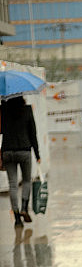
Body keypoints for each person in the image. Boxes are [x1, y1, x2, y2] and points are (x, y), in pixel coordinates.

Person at [0, 96, 41, 229]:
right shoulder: (27, 110)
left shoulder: (4, 110)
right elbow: (32, 133)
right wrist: (37, 154)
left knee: (13, 185)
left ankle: (17, 218)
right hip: (24, 151)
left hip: (7, 151)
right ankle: (24, 207)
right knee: (26, 181)